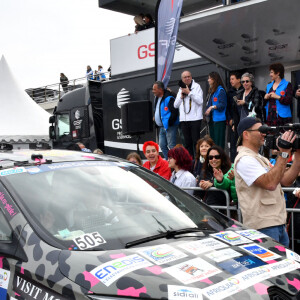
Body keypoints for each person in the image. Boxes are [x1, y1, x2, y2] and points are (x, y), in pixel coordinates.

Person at [234, 117, 300, 246]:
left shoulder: (259, 158)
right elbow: (269, 184)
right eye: (260, 130)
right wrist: (284, 153)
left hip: (277, 222)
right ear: (246, 134)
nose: (264, 133)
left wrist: (297, 155)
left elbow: (285, 181)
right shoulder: (244, 159)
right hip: (263, 225)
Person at [174, 71, 204, 158]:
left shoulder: (197, 87)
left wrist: (189, 93)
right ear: (182, 79)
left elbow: (200, 101)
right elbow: (175, 105)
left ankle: (198, 162)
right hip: (184, 120)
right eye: (185, 77)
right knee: (187, 143)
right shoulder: (180, 89)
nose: (187, 78)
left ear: (191, 77)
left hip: (195, 119)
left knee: (196, 142)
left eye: (188, 76)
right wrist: (181, 97)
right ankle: (190, 162)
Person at [153, 81, 179, 159]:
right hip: (162, 127)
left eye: (154, 89)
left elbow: (174, 112)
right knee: (162, 145)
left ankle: (176, 162)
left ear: (160, 89)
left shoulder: (169, 98)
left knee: (171, 145)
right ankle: (169, 162)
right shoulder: (157, 98)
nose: (153, 91)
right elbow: (158, 110)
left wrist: (169, 122)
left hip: (169, 126)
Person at [205, 72, 227, 149]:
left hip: (219, 120)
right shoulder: (212, 91)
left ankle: (220, 158)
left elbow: (222, 105)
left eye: (209, 78)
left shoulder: (220, 90)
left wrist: (212, 107)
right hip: (212, 120)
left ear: (214, 79)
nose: (208, 80)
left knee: (219, 142)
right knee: (213, 142)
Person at [227, 71, 243, 162]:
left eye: (232, 79)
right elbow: (228, 108)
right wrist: (229, 119)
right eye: (230, 79)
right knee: (233, 145)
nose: (231, 81)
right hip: (232, 122)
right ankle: (233, 164)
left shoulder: (244, 90)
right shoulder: (229, 92)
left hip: (241, 121)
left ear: (238, 79)